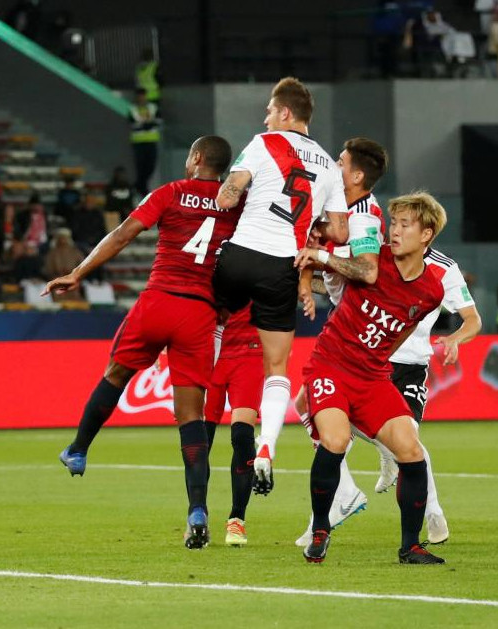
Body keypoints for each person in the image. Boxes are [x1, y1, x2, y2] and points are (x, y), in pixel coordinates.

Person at [47, 136, 240, 550]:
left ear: (197, 159)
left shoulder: (171, 192)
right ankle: (198, 510)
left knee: (116, 374)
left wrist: (78, 273)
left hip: (158, 301)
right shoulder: (237, 207)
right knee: (191, 417)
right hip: (199, 314)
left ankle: (79, 448)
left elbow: (121, 235)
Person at [293, 192, 450, 565]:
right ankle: (320, 528)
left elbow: (400, 332)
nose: (394, 231)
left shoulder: (433, 290)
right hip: (330, 364)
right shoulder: (371, 259)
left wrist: (378, 358)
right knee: (335, 439)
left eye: (404, 225)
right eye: (393, 223)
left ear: (426, 234)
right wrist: (308, 274)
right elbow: (310, 267)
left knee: (412, 452)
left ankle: (410, 546)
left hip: (372, 375)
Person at [213, 77, 348, 497]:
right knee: (276, 368)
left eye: (270, 110)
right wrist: (310, 223)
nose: (266, 116)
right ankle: (266, 446)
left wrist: (230, 190)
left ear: (285, 114)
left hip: (241, 255)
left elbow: (227, 198)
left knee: (212, 314)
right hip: (280, 268)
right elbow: (340, 231)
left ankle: (202, 387)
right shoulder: (328, 164)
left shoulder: (262, 142)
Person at [204, 306, 263, 546]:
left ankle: (237, 518)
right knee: (200, 441)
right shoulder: (206, 268)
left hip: (249, 352)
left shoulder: (266, 266)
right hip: (209, 354)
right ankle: (197, 516)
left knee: (241, 436)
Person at [128, 88, 161, 197]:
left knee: (150, 166)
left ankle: (139, 185)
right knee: (140, 166)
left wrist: (145, 125)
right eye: (139, 96)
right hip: (138, 142)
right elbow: (132, 124)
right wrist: (147, 125)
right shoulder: (133, 109)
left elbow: (159, 121)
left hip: (151, 141)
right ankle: (142, 187)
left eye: (143, 96)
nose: (141, 98)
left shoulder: (153, 108)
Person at [42, 229, 85, 302]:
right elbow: (47, 268)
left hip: (72, 279)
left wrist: (74, 273)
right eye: (61, 237)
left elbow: (82, 265)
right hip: (57, 279)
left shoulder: (75, 252)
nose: (63, 240)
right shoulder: (52, 253)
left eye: (65, 237)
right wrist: (56, 273)